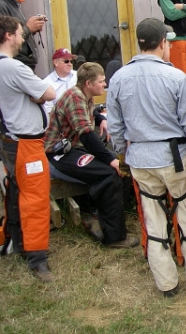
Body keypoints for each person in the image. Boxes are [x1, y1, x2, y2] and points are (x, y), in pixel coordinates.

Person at [108, 18, 186, 298]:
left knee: (153, 219)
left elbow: (115, 126)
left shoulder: (119, 78)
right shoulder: (177, 78)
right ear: (162, 43)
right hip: (174, 158)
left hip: (140, 159)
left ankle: (166, 284)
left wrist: (123, 153)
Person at [44, 62, 138, 249]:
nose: (105, 85)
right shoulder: (75, 97)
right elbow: (86, 135)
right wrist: (111, 160)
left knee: (124, 168)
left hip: (74, 149)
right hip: (58, 155)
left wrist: (100, 118)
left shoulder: (86, 96)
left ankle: (101, 218)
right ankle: (115, 238)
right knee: (109, 173)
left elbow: (90, 114)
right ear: (88, 83)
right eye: (101, 82)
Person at [0, 15, 55, 282]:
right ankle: (37, 258)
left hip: (9, 140)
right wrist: (37, 92)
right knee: (35, 198)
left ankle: (16, 241)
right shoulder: (13, 68)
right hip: (26, 143)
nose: (23, 38)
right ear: (9, 36)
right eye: (20, 34)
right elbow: (49, 93)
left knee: (16, 190)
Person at [0, 0, 46, 70]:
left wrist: (33, 28)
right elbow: (4, 38)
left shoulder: (13, 2)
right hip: (14, 66)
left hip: (22, 64)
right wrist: (28, 28)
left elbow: (15, 31)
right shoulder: (1, 4)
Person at [42, 48, 78, 115]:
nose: (70, 64)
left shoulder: (78, 76)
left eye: (71, 61)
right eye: (66, 61)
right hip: (60, 121)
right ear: (56, 63)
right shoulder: (47, 83)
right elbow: (48, 110)